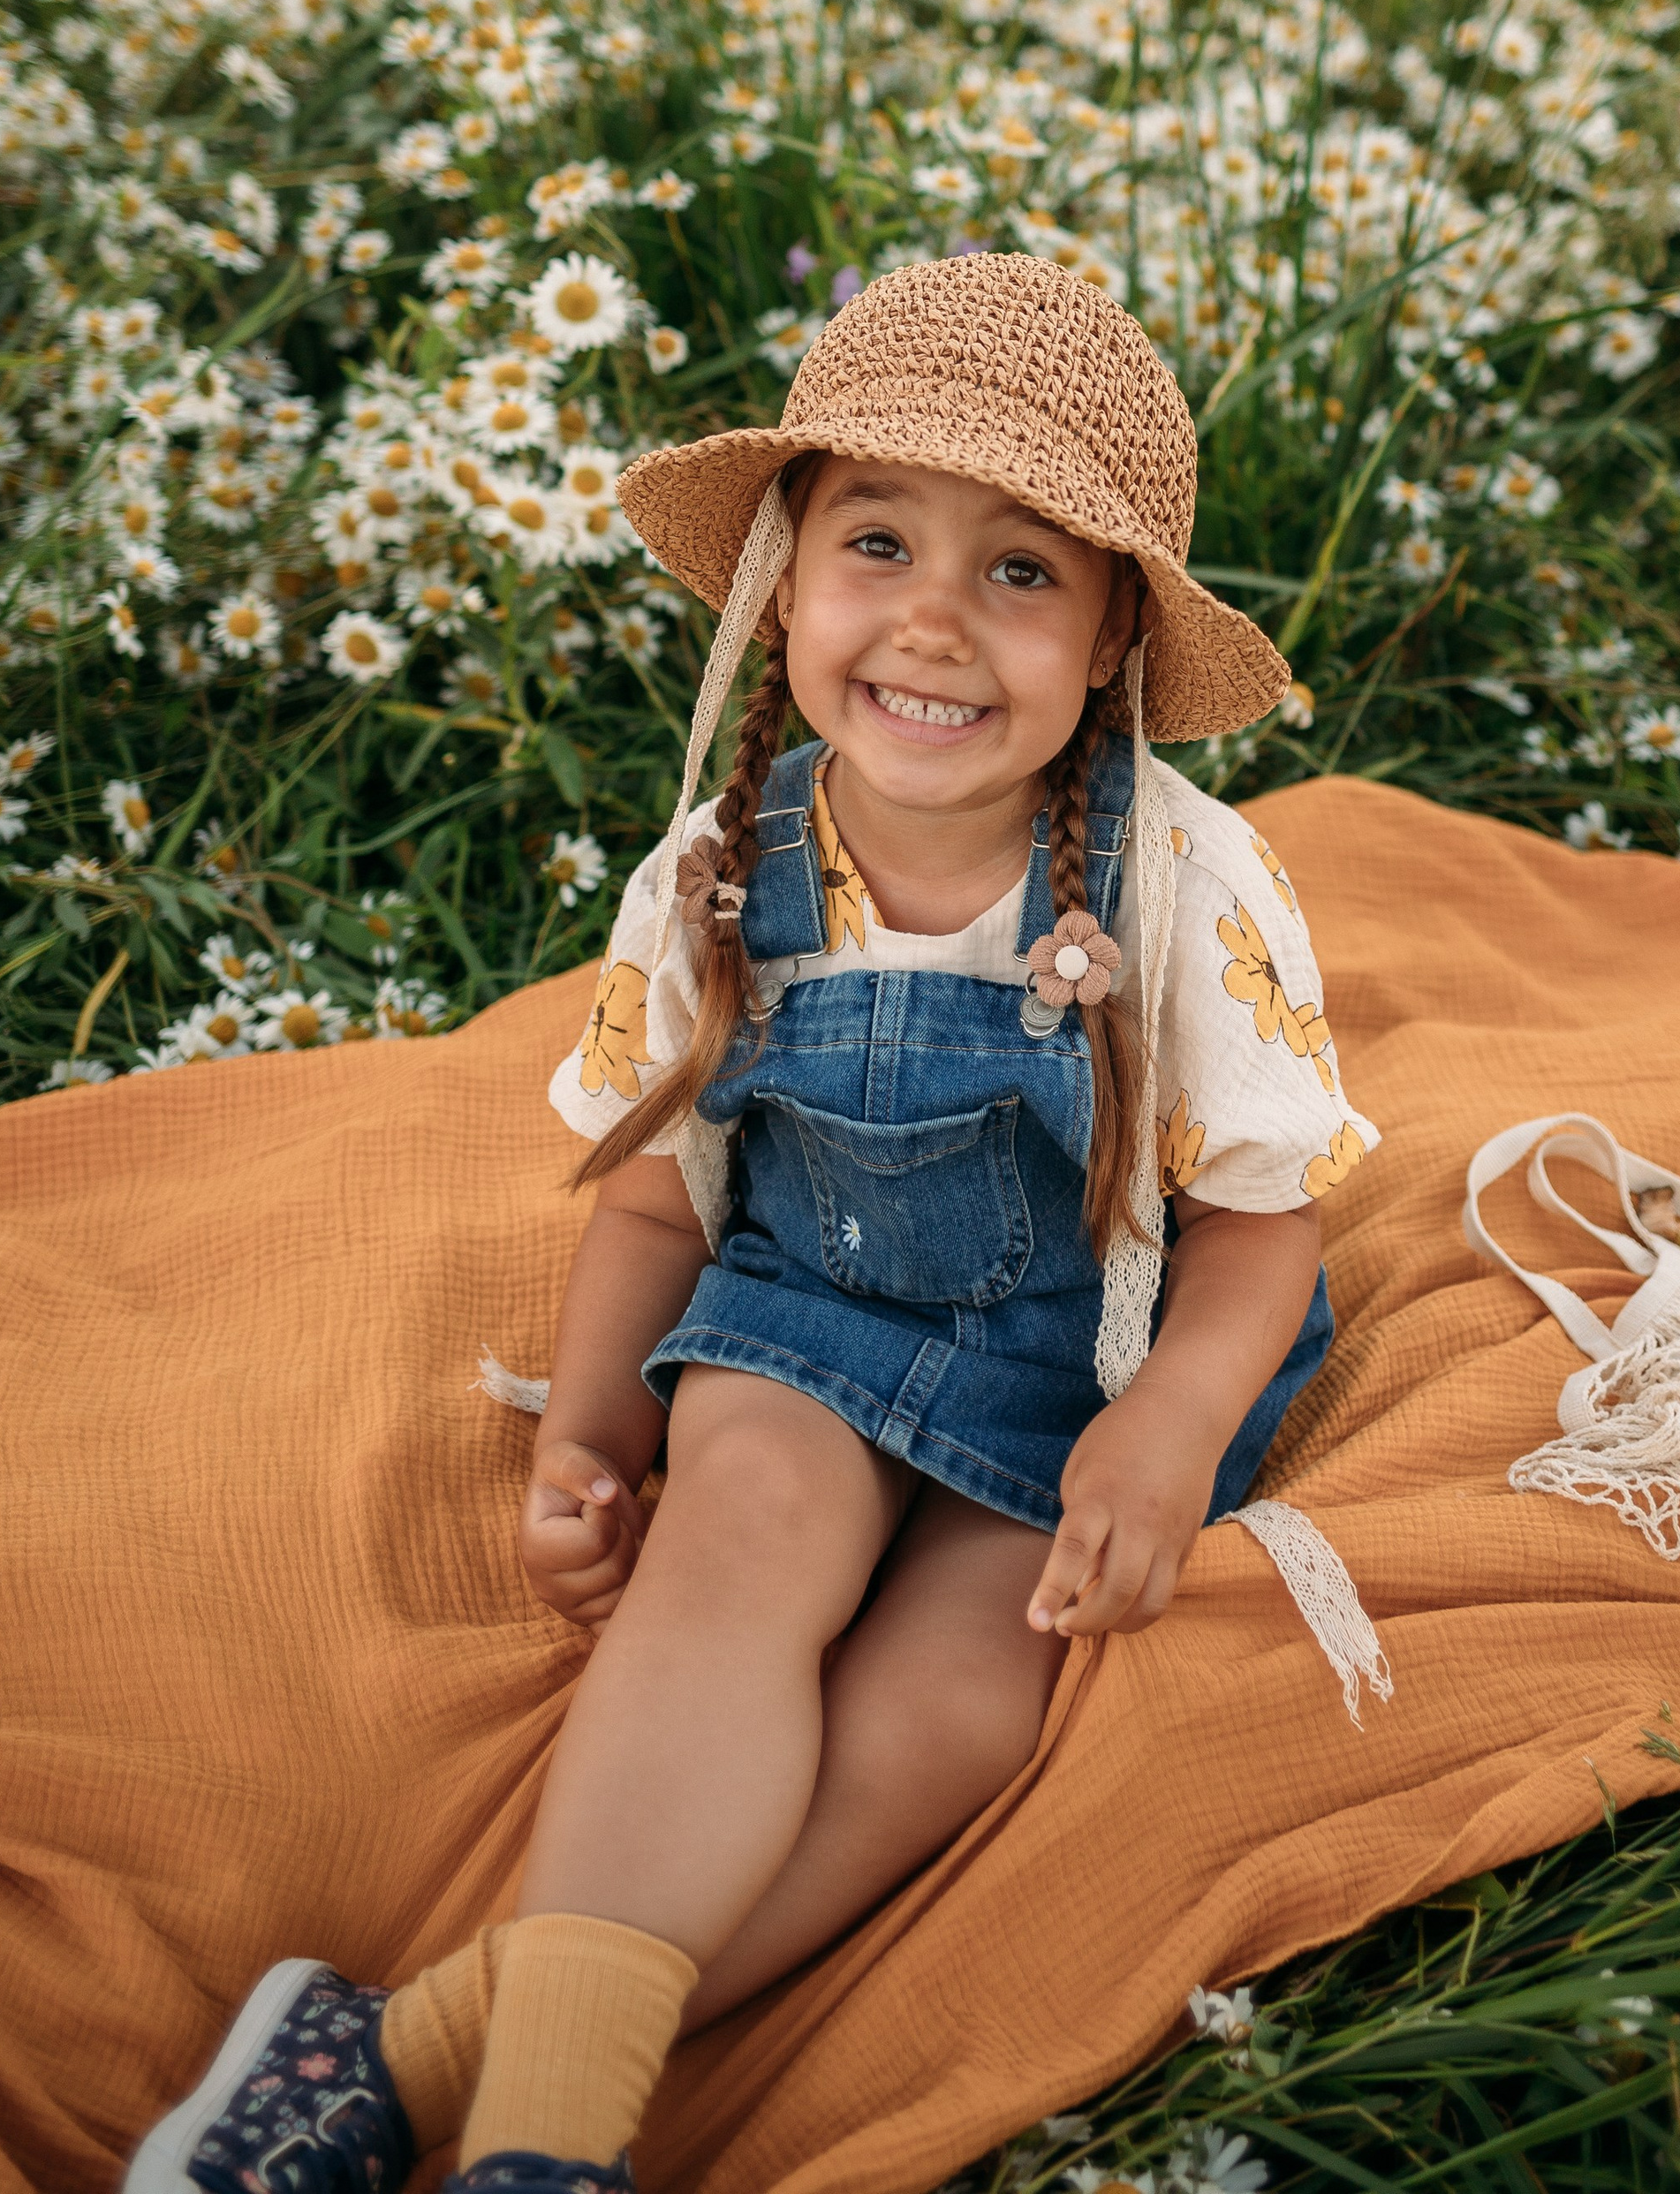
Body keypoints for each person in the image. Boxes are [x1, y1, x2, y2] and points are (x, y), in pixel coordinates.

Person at [127, 253, 1377, 2194]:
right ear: (784, 579)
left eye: (1021, 571)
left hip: (1091, 1355)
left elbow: (1255, 1230)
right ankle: (543, 2146)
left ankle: (415, 2043)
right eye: (878, 542)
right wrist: (591, 1424)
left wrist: (1173, 1420)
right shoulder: (722, 875)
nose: (936, 625)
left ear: (1118, 637)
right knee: (733, 1552)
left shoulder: (1185, 883)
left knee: (962, 1705)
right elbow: (655, 1196)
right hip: (811, 1313)